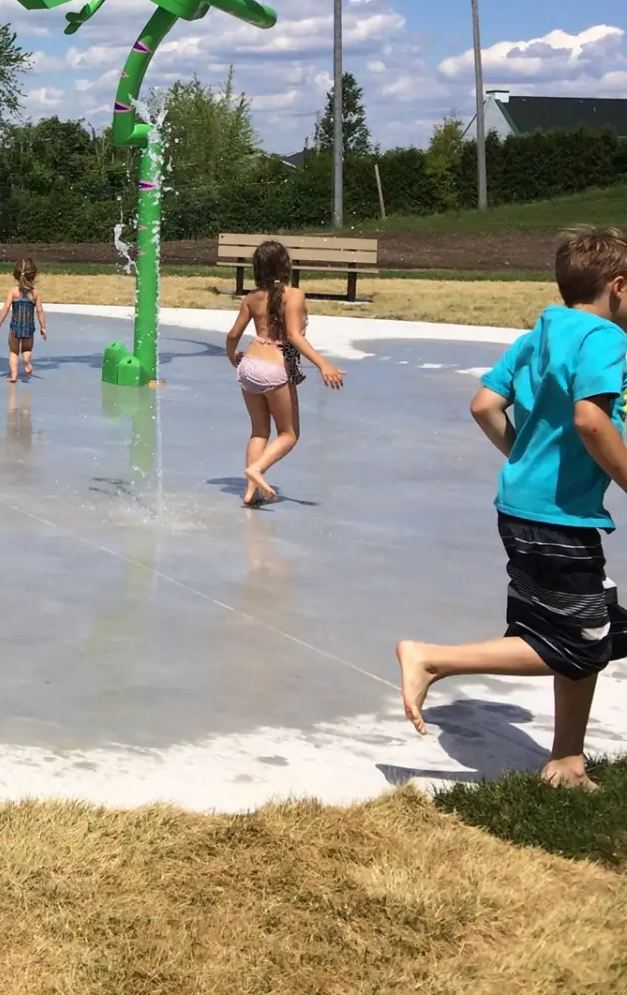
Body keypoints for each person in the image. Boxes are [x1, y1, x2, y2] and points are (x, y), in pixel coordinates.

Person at [396, 227, 627, 791]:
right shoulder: (604, 337)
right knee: (580, 640)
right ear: (619, 287)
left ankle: (567, 760)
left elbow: (484, 405)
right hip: (559, 517)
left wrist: (522, 457)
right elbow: (591, 421)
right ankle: (433, 659)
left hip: (521, 507)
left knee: (580, 627)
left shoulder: (541, 333)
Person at [224, 239, 344, 506]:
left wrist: (233, 357)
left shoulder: (252, 298)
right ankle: (256, 471)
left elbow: (233, 335)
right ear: (285, 265)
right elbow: (293, 336)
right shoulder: (295, 295)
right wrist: (323, 363)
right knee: (289, 434)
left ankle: (251, 492)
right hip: (274, 368)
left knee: (259, 432)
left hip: (250, 366)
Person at [0, 256, 47, 381]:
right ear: (33, 275)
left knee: (13, 351)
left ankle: (14, 375)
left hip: (15, 328)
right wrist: (43, 327)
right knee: (27, 349)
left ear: (16, 275)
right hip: (29, 328)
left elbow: (6, 308)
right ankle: (27, 361)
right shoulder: (35, 293)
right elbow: (39, 310)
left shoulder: (13, 292)